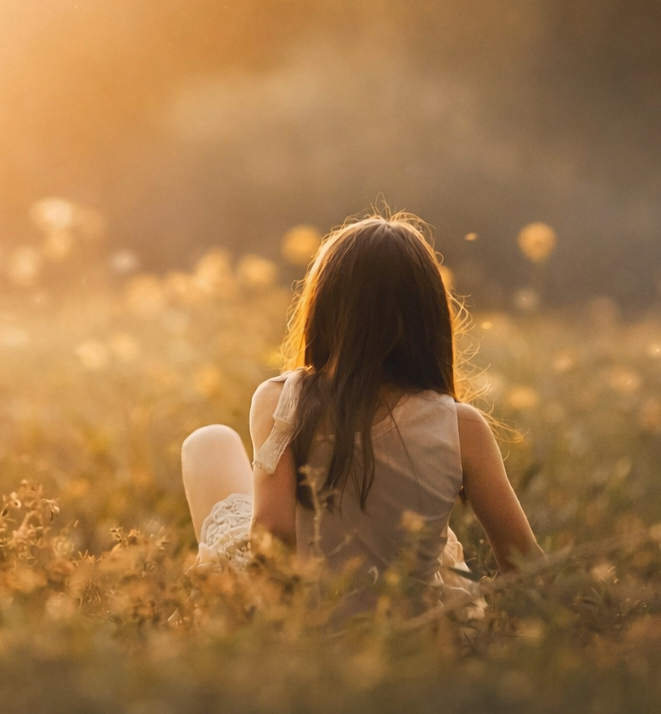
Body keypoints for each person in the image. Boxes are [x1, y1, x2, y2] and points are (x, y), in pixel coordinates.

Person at [180, 213, 542, 604]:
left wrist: (278, 630)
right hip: (416, 628)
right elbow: (523, 563)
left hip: (306, 613)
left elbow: (274, 533)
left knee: (210, 442)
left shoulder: (282, 399)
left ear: (322, 307)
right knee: (438, 541)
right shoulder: (461, 425)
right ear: (430, 318)